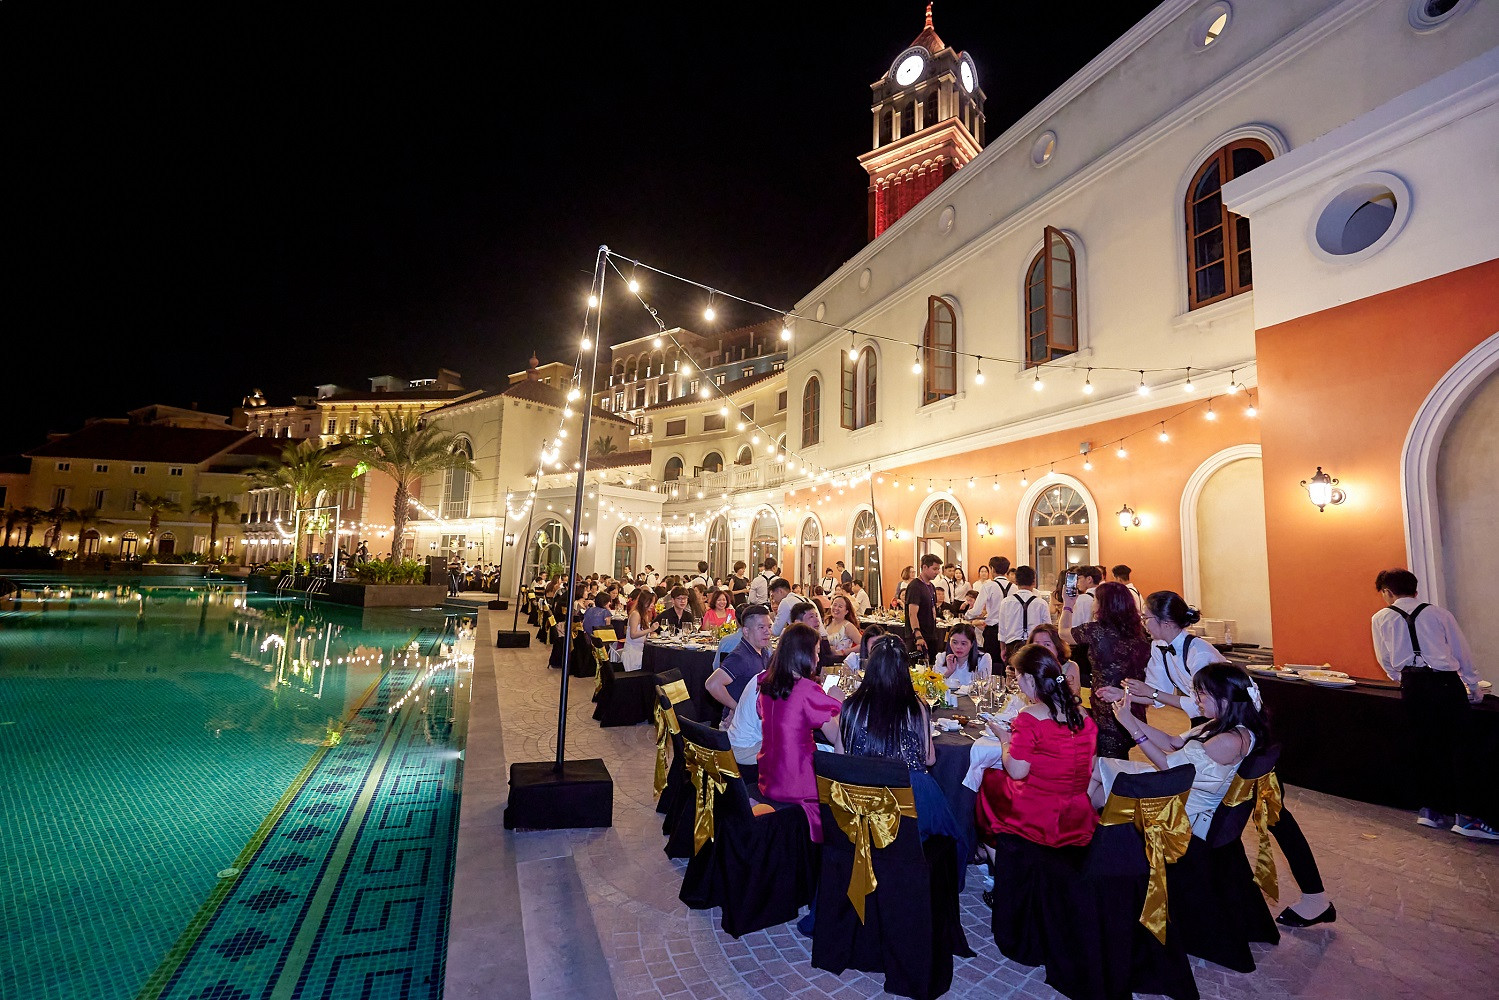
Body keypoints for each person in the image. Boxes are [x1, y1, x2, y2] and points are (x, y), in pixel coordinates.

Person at [1370, 568, 1494, 840]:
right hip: (1445, 684)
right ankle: (1466, 817)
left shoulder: (1380, 618)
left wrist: (1404, 677)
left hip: (1412, 685)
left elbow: (1386, 660)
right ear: (1415, 590)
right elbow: (1461, 652)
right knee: (1461, 747)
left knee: (1424, 745)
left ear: (1387, 592)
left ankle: (1430, 810)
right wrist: (1473, 684)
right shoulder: (1439, 614)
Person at [840, 635, 964, 843]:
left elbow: (840, 757)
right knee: (948, 837)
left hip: (863, 802)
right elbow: (929, 759)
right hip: (909, 805)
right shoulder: (916, 706)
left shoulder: (852, 705)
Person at [976, 643, 1098, 848]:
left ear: (1030, 679)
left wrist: (1005, 738)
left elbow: (1017, 772)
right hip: (1077, 811)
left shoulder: (1030, 716)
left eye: (1018, 677)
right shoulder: (1082, 714)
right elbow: (1089, 765)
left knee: (988, 779)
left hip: (1039, 812)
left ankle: (997, 856)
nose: (1018, 683)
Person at [757, 622, 844, 841]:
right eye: (816, 652)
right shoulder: (807, 690)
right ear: (803, 655)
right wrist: (839, 703)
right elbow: (836, 737)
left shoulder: (767, 683)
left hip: (768, 775)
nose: (818, 658)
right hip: (796, 782)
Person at [1061, 581, 1150, 760]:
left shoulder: (1097, 631)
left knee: (1108, 761)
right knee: (1117, 756)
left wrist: (1068, 605)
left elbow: (1063, 633)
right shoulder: (1138, 632)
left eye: (1096, 600)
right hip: (1134, 704)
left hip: (1107, 707)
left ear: (1103, 605)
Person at [1119, 591, 1228, 719]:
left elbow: (1196, 704)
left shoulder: (1199, 653)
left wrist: (1152, 692)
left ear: (1166, 622)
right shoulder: (1159, 645)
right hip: (1208, 712)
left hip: (1231, 712)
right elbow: (1157, 694)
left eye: (1145, 618)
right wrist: (1121, 694)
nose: (1142, 623)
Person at [706, 603, 773, 721]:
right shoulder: (740, 657)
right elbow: (712, 684)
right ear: (746, 631)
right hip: (741, 724)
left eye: (769, 627)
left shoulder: (763, 651)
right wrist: (738, 709)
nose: (767, 632)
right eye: (761, 627)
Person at [999, 565, 1051, 659]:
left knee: (1013, 669)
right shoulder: (1041, 603)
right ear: (1034, 582)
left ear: (1016, 581)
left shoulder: (1006, 602)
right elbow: (1047, 629)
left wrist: (1003, 649)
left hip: (1012, 646)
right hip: (1035, 646)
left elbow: (1002, 630)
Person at [965, 555, 1012, 655]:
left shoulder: (988, 586)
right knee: (1009, 660)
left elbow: (977, 610)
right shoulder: (1014, 587)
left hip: (993, 630)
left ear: (992, 569)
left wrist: (967, 616)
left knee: (991, 661)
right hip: (1010, 630)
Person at [1026, 623, 1080, 695]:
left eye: (1047, 644)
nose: (1041, 649)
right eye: (1036, 644)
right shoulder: (1027, 666)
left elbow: (1072, 698)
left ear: (1058, 647)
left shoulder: (1070, 666)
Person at [905, 554, 942, 660]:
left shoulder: (931, 586)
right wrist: (918, 636)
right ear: (925, 567)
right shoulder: (915, 586)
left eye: (938, 569)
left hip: (931, 634)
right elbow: (912, 614)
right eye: (934, 569)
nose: (937, 572)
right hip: (919, 638)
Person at [621, 588, 659, 672]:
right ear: (644, 602)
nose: (653, 605)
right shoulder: (636, 614)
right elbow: (633, 635)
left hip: (640, 651)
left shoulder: (644, 615)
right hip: (632, 654)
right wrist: (650, 630)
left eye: (653, 603)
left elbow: (642, 636)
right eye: (651, 603)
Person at [825, 593, 862, 657]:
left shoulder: (848, 626)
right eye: (834, 605)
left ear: (846, 611)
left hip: (840, 660)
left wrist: (844, 652)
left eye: (840, 606)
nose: (836, 608)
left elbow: (863, 645)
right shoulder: (827, 622)